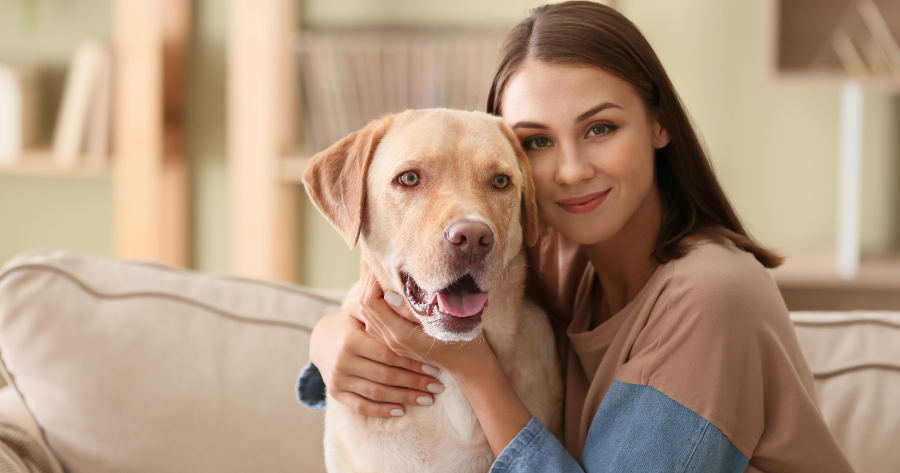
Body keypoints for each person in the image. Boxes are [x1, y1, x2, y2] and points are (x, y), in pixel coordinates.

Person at [297, 2, 856, 471]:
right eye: (537, 141)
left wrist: (474, 369)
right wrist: (328, 341)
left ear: (660, 123)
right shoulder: (558, 258)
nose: (570, 171)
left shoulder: (713, 297)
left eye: (600, 128)